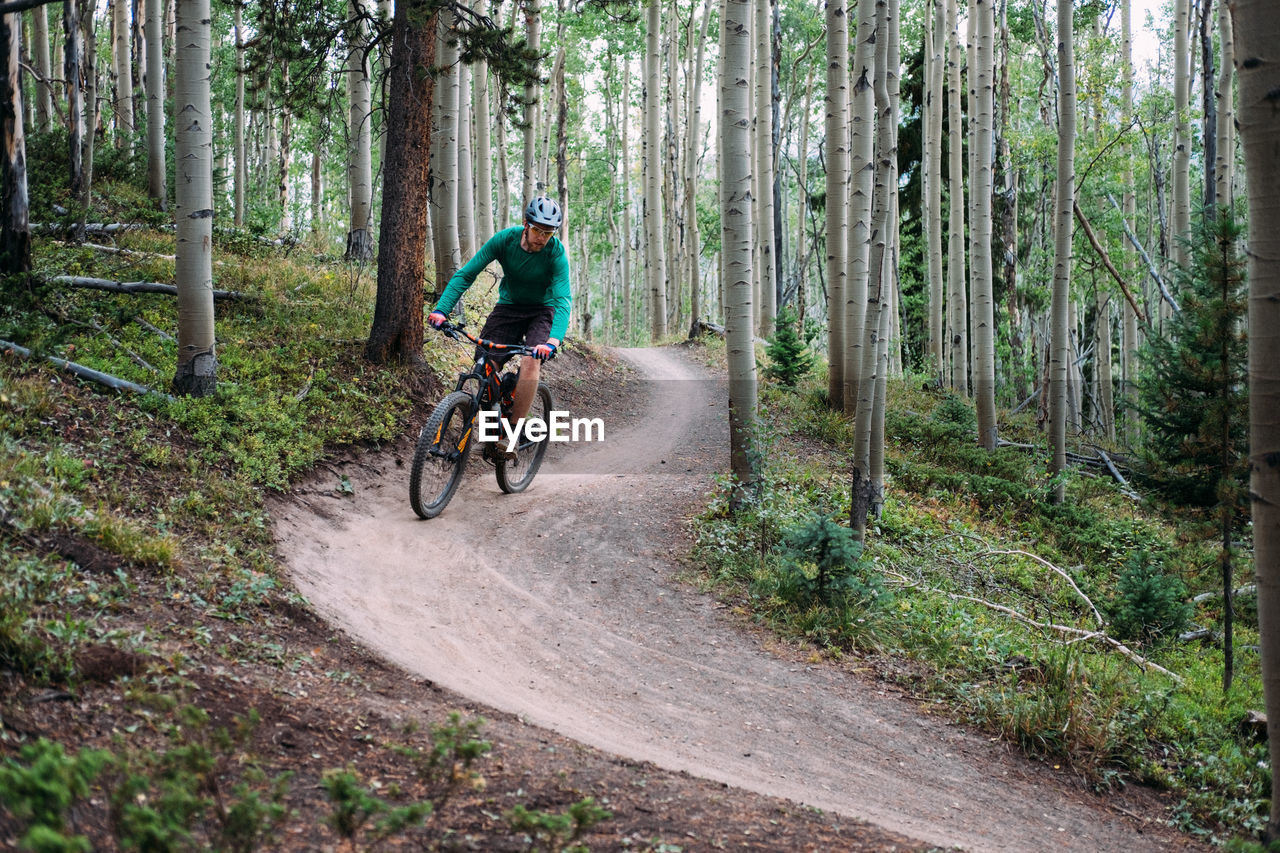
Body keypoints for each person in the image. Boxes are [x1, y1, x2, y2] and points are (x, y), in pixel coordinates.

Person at [427, 197, 571, 457]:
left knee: (530, 360)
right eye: (538, 230)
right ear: (525, 224)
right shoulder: (504, 240)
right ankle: (494, 423)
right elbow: (466, 274)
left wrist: (553, 341)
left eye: (549, 233)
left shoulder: (555, 253)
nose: (543, 238)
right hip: (509, 307)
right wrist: (441, 309)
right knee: (484, 367)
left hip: (543, 310)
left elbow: (562, 301)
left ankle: (512, 434)